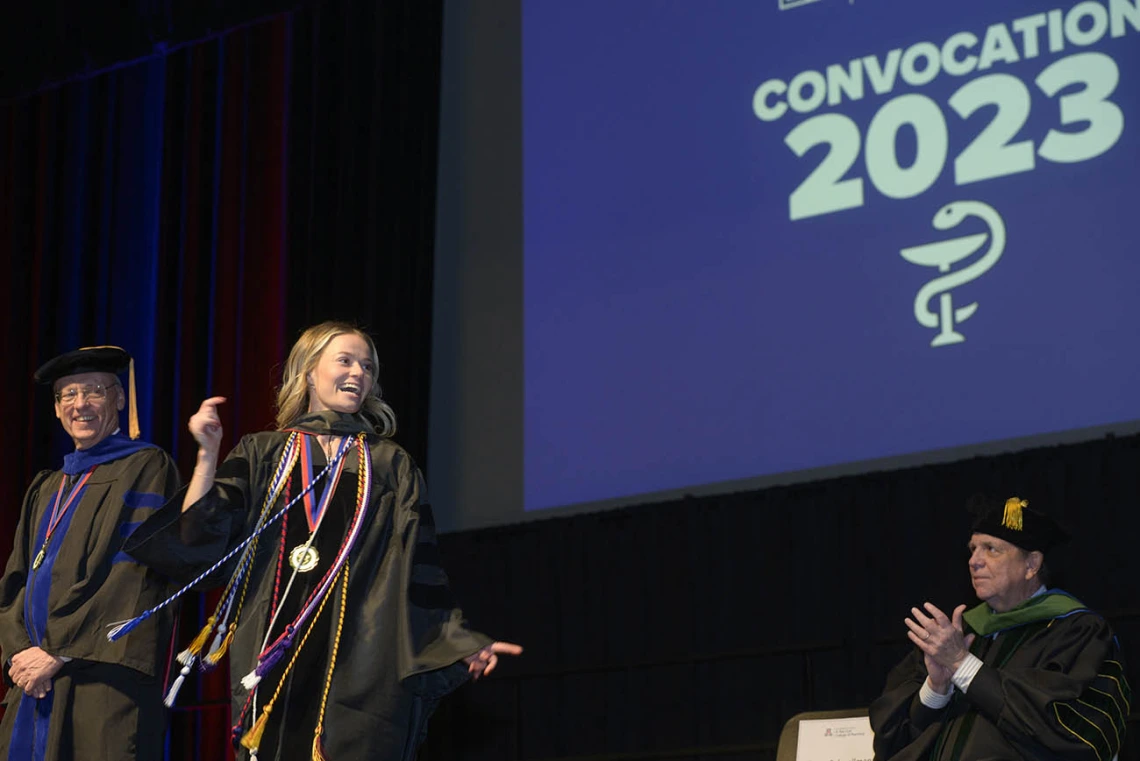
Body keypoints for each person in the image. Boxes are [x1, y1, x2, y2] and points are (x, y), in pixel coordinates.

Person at [123, 322, 522, 761]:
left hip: (358, 656)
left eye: (367, 366)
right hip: (269, 648)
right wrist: (206, 453)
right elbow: (196, 536)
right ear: (309, 372)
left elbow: (419, 565)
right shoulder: (263, 453)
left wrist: (457, 640)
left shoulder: (389, 464)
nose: (358, 373)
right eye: (345, 361)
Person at [0, 346, 181, 761]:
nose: (80, 404)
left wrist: (58, 650)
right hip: (34, 681)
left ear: (118, 399)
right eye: (68, 395)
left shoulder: (147, 467)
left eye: (94, 391)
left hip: (104, 681)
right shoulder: (47, 486)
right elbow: (15, 582)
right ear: (58, 408)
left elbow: (136, 573)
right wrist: (19, 652)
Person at [869, 495, 1130, 761]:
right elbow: (894, 734)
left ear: (1031, 565)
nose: (974, 561)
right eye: (972, 549)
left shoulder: (1077, 632)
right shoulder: (958, 633)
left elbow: (1073, 732)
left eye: (991, 549)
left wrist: (963, 665)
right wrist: (937, 688)